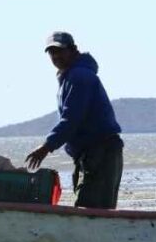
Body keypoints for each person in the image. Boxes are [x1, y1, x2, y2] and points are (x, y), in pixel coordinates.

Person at [26, 32, 124, 209]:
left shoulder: (79, 76)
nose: (56, 56)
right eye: (52, 53)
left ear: (73, 50)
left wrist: (46, 147)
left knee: (91, 210)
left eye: (60, 51)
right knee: (94, 208)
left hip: (100, 152)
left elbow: (71, 119)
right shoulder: (70, 76)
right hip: (92, 153)